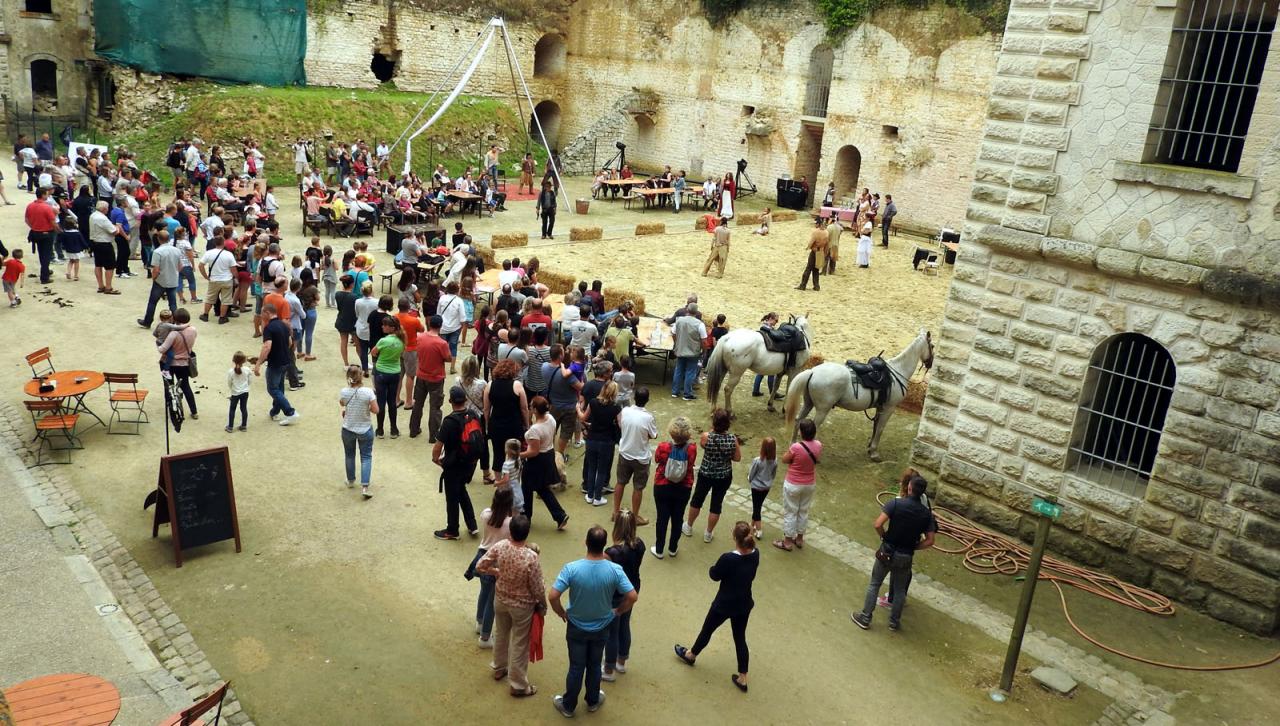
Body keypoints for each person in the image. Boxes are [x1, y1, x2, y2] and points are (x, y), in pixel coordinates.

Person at [549, 526, 638, 718]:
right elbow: (632, 596)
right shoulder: (615, 570)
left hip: (576, 625)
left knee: (576, 666)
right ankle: (592, 700)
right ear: (604, 545)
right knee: (595, 664)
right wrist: (618, 611)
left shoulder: (571, 568)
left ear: (586, 542)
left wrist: (561, 612)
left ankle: (568, 705)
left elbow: (553, 595)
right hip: (602, 626)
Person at [673, 521, 759, 693]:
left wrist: (714, 568)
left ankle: (691, 655)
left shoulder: (728, 558)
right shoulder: (756, 554)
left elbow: (714, 574)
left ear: (735, 538)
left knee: (707, 630)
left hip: (724, 604)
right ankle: (743, 678)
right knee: (740, 638)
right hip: (743, 603)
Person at [851, 475, 938, 632]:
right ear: (923, 493)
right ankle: (894, 622)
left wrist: (884, 536)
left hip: (888, 550)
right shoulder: (927, 515)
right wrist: (915, 546)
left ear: (909, 488)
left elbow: (877, 524)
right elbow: (930, 540)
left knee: (875, 583)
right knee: (899, 590)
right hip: (906, 555)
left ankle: (865, 617)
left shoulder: (895, 503)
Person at [476, 514, 545, 698]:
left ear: (511, 531)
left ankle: (499, 668)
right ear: (526, 533)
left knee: (501, 634)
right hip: (522, 606)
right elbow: (537, 587)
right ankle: (518, 684)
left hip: (501, 600)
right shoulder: (531, 557)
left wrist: (496, 572)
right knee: (520, 643)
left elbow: (480, 565)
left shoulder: (501, 546)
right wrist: (542, 604)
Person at [683, 408, 741, 543]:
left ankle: (689, 526)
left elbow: (703, 445)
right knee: (716, 504)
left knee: (697, 500)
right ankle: (708, 533)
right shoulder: (732, 439)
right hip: (724, 475)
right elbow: (737, 458)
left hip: (706, 473)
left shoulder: (706, 437)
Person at [433, 386, 482, 540]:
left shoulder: (449, 421)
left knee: (452, 497)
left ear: (450, 401)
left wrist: (436, 459)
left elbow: (438, 446)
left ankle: (452, 530)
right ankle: (472, 525)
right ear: (465, 400)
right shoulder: (473, 414)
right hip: (470, 462)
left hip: (453, 464)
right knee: (461, 491)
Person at [469, 487, 514, 649]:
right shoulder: (510, 523)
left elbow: (489, 513)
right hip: (497, 562)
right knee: (492, 601)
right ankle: (485, 636)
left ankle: (479, 622)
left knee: (484, 591)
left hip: (482, 556)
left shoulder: (486, 514)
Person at [603, 510, 645, 682]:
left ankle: (609, 669)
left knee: (612, 631)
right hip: (633, 587)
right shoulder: (640, 545)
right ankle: (621, 661)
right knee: (624, 624)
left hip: (616, 594)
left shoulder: (611, 552)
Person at [518, 396, 570, 530]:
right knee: (542, 488)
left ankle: (526, 516)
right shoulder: (551, 419)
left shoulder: (535, 430)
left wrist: (518, 455)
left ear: (535, 410)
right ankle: (559, 515)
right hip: (548, 454)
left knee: (527, 487)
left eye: (531, 406)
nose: (529, 408)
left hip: (537, 460)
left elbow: (533, 451)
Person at [651, 416, 697, 559]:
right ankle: (673, 548)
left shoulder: (664, 446)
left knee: (662, 518)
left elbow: (657, 459)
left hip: (662, 485)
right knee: (678, 518)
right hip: (683, 487)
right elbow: (691, 463)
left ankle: (659, 549)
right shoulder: (692, 448)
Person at [773, 418, 821, 551]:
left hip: (793, 483)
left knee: (791, 512)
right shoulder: (818, 445)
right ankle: (799, 539)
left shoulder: (796, 447)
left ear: (801, 432)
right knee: (803, 510)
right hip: (809, 483)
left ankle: (787, 542)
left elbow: (785, 459)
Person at [253, 305, 300, 426]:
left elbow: (267, 346)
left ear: (267, 313)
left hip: (275, 362)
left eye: (262, 313)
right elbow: (290, 342)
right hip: (285, 360)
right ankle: (275, 411)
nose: (261, 315)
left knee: (273, 389)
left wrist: (258, 363)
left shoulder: (269, 328)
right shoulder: (283, 324)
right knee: (279, 388)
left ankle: (290, 412)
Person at [410, 314, 453, 441]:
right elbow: (448, 358)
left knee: (418, 403)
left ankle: (413, 429)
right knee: (435, 407)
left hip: (421, 375)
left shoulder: (420, 338)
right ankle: (433, 435)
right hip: (436, 377)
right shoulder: (442, 343)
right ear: (440, 326)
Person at [579, 380, 622, 507]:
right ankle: (598, 497)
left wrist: (577, 409)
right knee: (602, 470)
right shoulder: (616, 408)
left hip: (592, 438)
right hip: (606, 441)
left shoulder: (593, 403)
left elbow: (583, 418)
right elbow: (621, 424)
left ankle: (590, 494)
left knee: (592, 467)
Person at [339, 364, 378, 497]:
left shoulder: (344, 391)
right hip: (365, 428)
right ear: (361, 376)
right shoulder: (368, 392)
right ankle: (365, 488)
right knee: (366, 456)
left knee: (349, 455)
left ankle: (350, 480)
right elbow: (376, 410)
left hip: (348, 428)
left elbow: (342, 403)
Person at [158, 309, 199, 420]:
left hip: (168, 363)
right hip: (184, 363)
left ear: (174, 319)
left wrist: (158, 343)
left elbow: (162, 349)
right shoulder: (193, 330)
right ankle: (194, 411)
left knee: (169, 387)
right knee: (186, 387)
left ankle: (171, 409)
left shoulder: (173, 334)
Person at [137, 230, 182, 328]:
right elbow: (180, 267)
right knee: (173, 303)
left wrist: (154, 278)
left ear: (158, 239)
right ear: (168, 238)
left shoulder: (157, 252)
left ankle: (147, 321)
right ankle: (177, 322)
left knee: (152, 302)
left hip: (160, 280)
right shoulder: (176, 250)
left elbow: (156, 269)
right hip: (173, 279)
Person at [371, 315, 406, 438]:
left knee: (381, 401)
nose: (382, 326)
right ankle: (394, 429)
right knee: (392, 401)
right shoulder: (401, 340)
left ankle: (380, 430)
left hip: (381, 372)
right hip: (395, 372)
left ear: (391, 328)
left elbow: (374, 352)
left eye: (385, 325)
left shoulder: (383, 341)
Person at [670, 307, 706, 401]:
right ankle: (687, 393)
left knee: (679, 370)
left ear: (687, 311)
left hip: (681, 349)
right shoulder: (700, 324)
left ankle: (675, 391)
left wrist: (676, 343)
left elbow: (673, 333)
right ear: (696, 312)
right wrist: (703, 350)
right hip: (693, 352)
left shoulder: (679, 320)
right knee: (690, 372)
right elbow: (704, 340)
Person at [199, 239, 238, 324]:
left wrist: (206, 276)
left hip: (214, 279)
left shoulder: (209, 253)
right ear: (223, 243)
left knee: (210, 298)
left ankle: (205, 315)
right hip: (226, 279)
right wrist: (236, 277)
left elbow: (201, 265)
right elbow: (233, 269)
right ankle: (222, 317)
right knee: (226, 299)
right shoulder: (228, 254)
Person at [748, 438, 778, 539]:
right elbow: (773, 474)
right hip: (766, 487)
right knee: (758, 505)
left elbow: (752, 473)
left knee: (756, 508)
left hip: (756, 487)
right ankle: (751, 525)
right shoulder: (774, 461)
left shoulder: (757, 461)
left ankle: (759, 530)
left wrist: (750, 479)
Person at [333, 274, 358, 368]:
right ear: (352, 284)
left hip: (342, 320)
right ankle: (363, 362)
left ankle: (346, 363)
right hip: (352, 322)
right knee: (357, 343)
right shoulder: (354, 297)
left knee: (344, 342)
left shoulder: (337, 294)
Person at [797, 218, 828, 291]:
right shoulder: (826, 232)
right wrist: (825, 253)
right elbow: (827, 244)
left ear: (818, 224)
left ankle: (803, 285)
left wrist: (808, 247)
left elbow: (811, 242)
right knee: (816, 269)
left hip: (814, 251)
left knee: (808, 268)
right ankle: (816, 286)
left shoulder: (816, 232)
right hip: (821, 251)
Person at [225, 351, 251, 433]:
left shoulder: (230, 371)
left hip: (235, 393)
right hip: (245, 392)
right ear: (244, 361)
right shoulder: (247, 370)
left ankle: (230, 427)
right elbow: (250, 381)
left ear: (233, 360)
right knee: (244, 408)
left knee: (232, 409)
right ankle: (244, 426)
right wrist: (245, 387)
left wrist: (232, 389)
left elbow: (229, 383)